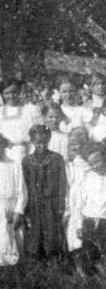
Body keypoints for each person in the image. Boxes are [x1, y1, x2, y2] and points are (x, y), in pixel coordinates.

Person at [75, 146, 106, 274]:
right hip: (89, 223)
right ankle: (90, 281)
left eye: (98, 161)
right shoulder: (87, 179)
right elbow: (79, 205)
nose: (95, 166)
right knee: (89, 256)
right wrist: (78, 225)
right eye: (91, 163)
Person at [22, 125, 67, 260]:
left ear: (49, 140)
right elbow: (24, 184)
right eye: (38, 143)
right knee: (35, 233)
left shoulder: (56, 158)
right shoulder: (27, 160)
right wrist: (26, 206)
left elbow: (62, 183)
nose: (41, 145)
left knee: (51, 234)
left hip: (51, 203)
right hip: (34, 203)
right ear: (32, 142)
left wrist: (60, 204)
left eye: (44, 142)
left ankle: (53, 261)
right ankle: (36, 263)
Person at [0, 134, 27, 280]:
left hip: (11, 211)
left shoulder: (14, 165)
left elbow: (21, 191)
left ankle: (16, 282)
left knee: (14, 249)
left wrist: (18, 211)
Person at [0, 79, 41, 163]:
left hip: (26, 153)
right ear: (2, 94)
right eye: (7, 93)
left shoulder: (30, 110)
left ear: (19, 92)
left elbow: (40, 133)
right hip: (4, 156)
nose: (11, 96)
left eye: (14, 92)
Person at [64, 127, 91, 255]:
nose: (74, 148)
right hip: (71, 204)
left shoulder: (86, 164)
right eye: (71, 145)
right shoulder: (65, 165)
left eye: (77, 144)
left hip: (86, 202)